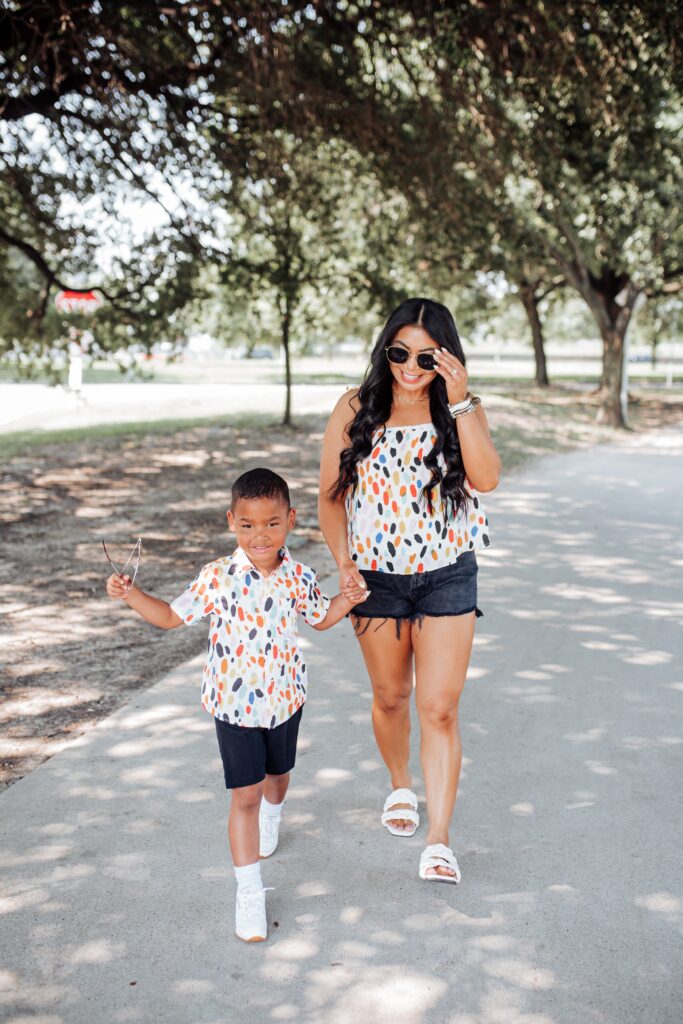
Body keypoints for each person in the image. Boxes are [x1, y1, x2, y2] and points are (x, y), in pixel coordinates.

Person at [106, 467, 368, 942]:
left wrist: (347, 600)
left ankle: (274, 813)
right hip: (234, 707)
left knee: (278, 777)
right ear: (232, 521)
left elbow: (321, 617)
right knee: (244, 794)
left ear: (290, 520)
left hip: (286, 699)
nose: (259, 535)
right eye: (247, 524)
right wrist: (131, 595)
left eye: (271, 523)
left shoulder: (300, 576)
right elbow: (168, 616)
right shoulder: (217, 577)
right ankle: (249, 891)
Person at [319, 298, 501, 883]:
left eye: (426, 355)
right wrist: (344, 563)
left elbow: (487, 479)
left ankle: (440, 839)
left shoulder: (459, 407)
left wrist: (462, 399)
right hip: (375, 581)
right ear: (385, 350)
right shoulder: (355, 406)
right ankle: (401, 786)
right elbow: (330, 498)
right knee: (391, 697)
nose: (410, 366)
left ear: (445, 356)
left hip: (448, 574)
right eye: (399, 353)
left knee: (439, 707)